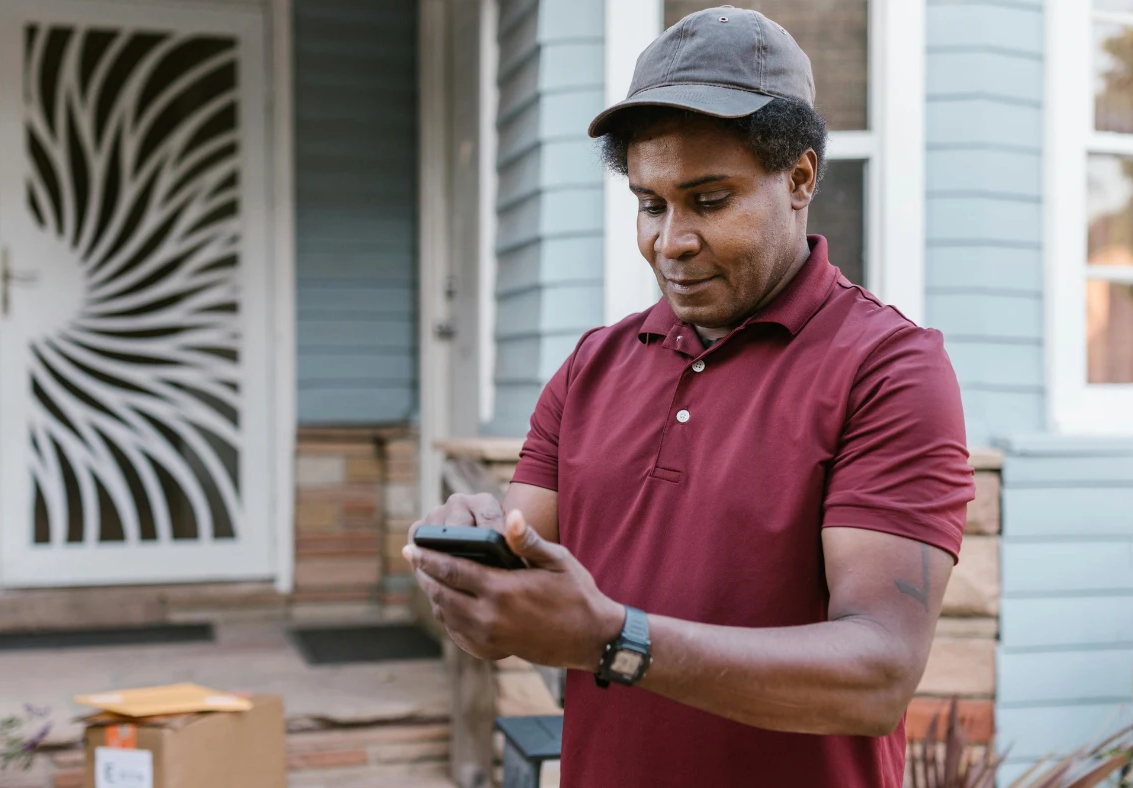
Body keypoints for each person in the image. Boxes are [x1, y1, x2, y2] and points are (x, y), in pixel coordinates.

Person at [405, 6, 975, 787]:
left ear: (801, 178)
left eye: (709, 201)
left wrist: (615, 638)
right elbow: (512, 622)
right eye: (650, 203)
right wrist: (471, 563)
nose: (670, 241)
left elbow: (877, 671)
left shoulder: (888, 370)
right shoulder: (591, 367)